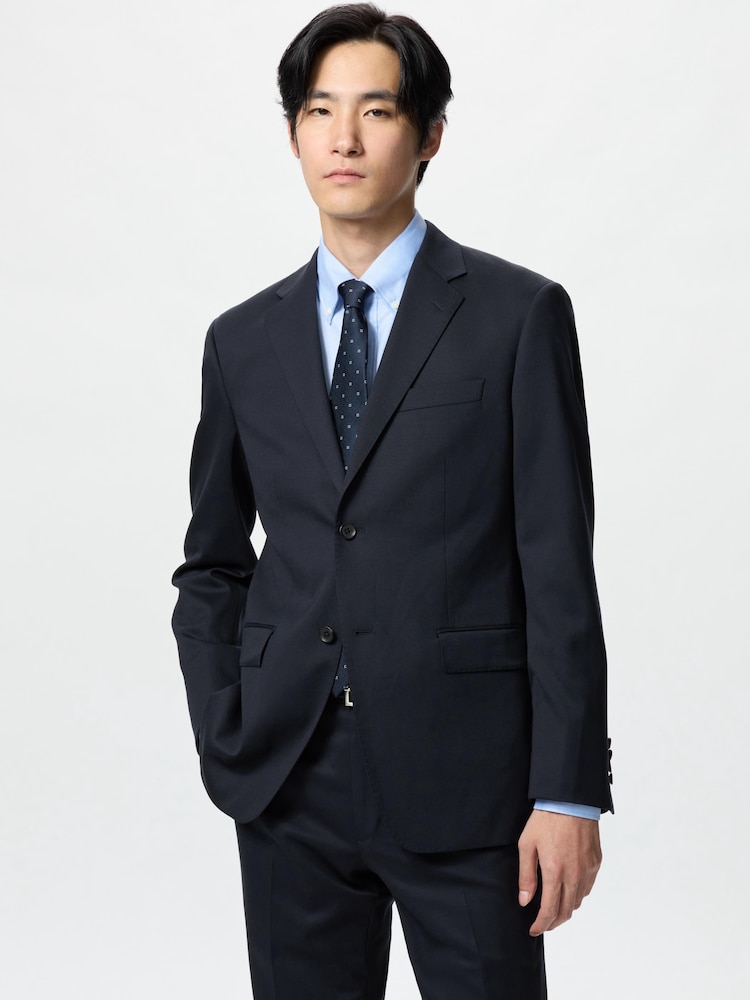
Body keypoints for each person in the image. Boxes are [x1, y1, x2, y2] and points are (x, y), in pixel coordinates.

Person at [172, 4, 613, 997]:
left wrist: (569, 789)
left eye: (375, 111)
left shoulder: (517, 315)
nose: (344, 137)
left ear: (429, 135)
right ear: (293, 135)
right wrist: (225, 727)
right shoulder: (241, 340)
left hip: (473, 782)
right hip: (289, 776)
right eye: (319, 111)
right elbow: (212, 562)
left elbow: (556, 565)